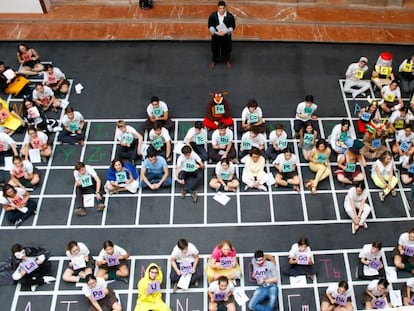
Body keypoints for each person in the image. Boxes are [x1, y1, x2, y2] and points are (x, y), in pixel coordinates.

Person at [208, 1, 236, 70]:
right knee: (215, 48)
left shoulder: (230, 16)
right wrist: (216, 32)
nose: (222, 10)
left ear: (225, 8)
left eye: (223, 8)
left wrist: (225, 31)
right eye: (220, 8)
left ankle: (227, 60)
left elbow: (232, 26)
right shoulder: (213, 15)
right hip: (216, 35)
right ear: (218, 8)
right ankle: (214, 61)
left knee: (227, 48)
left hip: (226, 36)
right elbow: (210, 26)